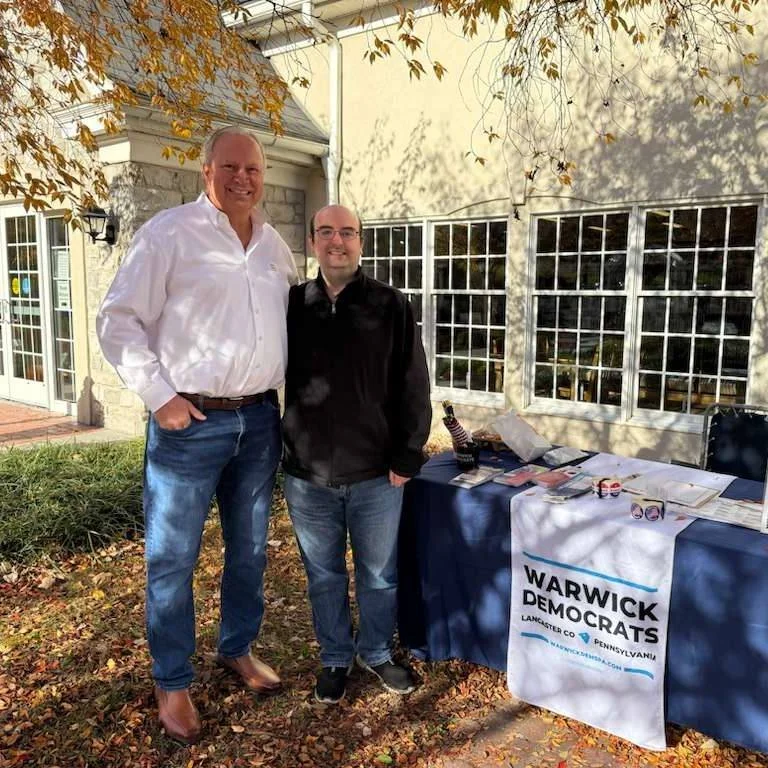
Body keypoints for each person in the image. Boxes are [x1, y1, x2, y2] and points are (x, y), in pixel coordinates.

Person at [97, 125, 297, 744]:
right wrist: (161, 399)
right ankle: (172, 679)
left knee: (250, 549)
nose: (244, 178)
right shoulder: (169, 234)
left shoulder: (272, 245)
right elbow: (118, 320)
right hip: (193, 425)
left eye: (254, 170)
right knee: (173, 558)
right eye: (231, 167)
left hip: (260, 421)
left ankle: (236, 647)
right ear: (205, 172)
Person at [282, 204, 431, 704]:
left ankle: (375, 651)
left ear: (361, 243)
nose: (336, 241)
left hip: (376, 475)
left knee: (378, 574)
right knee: (323, 575)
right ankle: (334, 658)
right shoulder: (292, 305)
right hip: (308, 478)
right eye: (326, 232)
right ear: (312, 242)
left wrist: (407, 455)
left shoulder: (390, 305)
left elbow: (414, 383)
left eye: (347, 232)